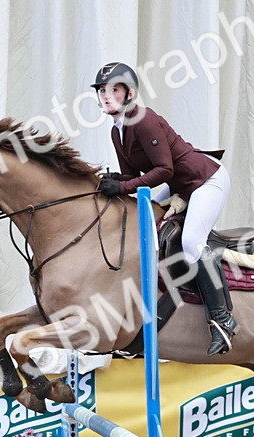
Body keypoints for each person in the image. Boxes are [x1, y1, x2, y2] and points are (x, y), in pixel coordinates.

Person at [91, 61, 237, 356]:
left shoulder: (144, 121)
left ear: (130, 93)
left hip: (205, 180)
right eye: (102, 90)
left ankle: (223, 320)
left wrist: (122, 188)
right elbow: (132, 176)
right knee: (145, 226)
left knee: (192, 242)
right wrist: (114, 181)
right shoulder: (116, 131)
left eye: (114, 90)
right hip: (179, 183)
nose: (106, 96)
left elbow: (164, 170)